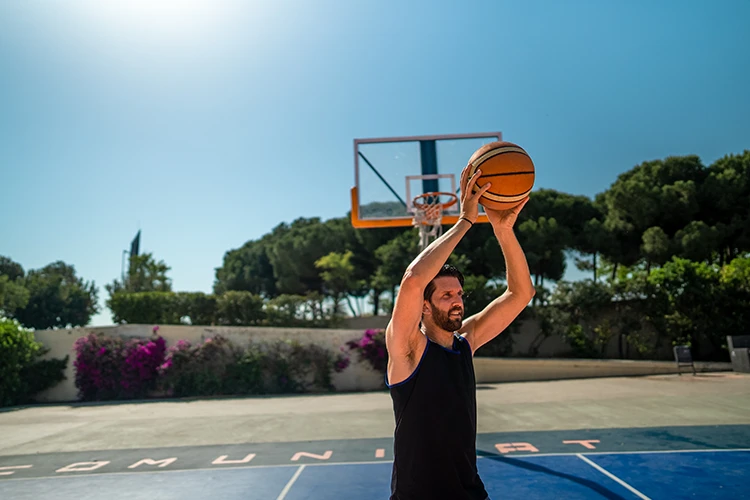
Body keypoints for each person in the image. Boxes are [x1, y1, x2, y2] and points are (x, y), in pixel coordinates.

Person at [385, 164, 535, 500]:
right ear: (425, 305)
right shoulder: (408, 351)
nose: (457, 302)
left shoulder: (465, 343)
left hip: (469, 492)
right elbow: (412, 281)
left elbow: (521, 294)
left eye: (459, 295)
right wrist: (465, 221)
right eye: (446, 295)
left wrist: (503, 230)